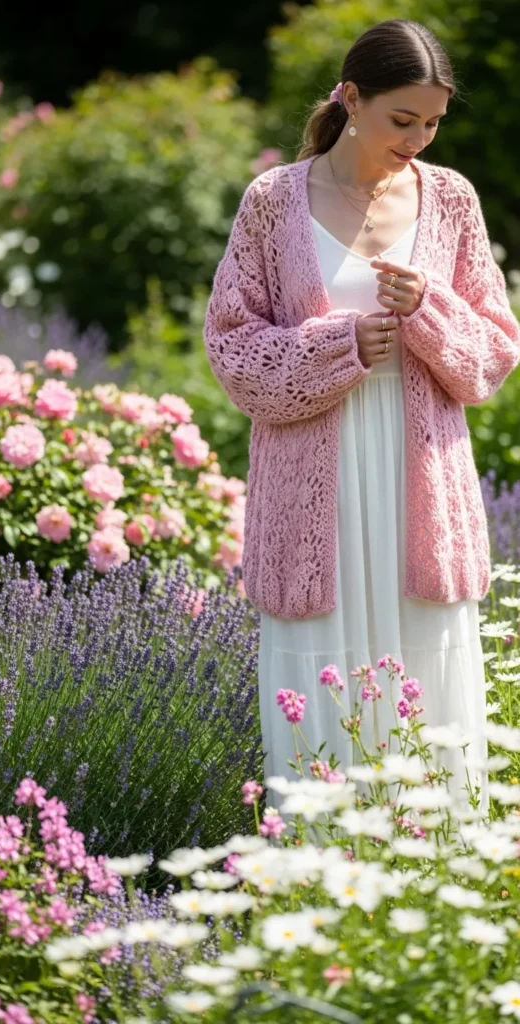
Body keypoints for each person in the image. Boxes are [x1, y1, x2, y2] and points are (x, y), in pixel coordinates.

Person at [203, 18, 520, 815]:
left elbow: (491, 355)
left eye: (432, 122)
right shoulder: (273, 202)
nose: (417, 139)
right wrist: (340, 345)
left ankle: (434, 859)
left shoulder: (449, 199)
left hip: (420, 483)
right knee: (324, 657)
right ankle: (321, 862)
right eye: (400, 120)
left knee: (424, 652)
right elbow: (232, 350)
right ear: (350, 99)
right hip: (316, 482)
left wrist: (428, 310)